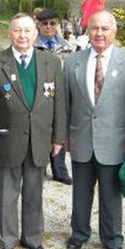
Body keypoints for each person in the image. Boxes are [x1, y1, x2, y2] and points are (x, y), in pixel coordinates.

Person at [0, 13, 66, 249]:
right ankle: (6, 240)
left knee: (34, 193)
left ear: (35, 32)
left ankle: (32, 239)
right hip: (6, 139)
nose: (23, 35)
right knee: (7, 194)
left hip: (40, 140)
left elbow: (59, 104)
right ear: (10, 33)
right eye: (18, 30)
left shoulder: (51, 62)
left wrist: (58, 138)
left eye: (27, 30)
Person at [64, 10, 125, 249]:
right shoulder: (72, 61)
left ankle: (112, 239)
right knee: (80, 191)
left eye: (105, 28)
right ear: (88, 31)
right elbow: (65, 103)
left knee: (111, 194)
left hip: (115, 142)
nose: (99, 33)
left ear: (114, 32)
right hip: (80, 139)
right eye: (94, 28)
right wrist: (64, 134)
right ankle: (79, 233)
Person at [33, 9, 74, 185]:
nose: (48, 27)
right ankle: (39, 167)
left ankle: (59, 170)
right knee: (40, 131)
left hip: (60, 93)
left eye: (52, 23)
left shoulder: (67, 46)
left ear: (57, 24)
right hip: (38, 95)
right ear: (38, 25)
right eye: (44, 24)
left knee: (59, 129)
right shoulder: (32, 46)